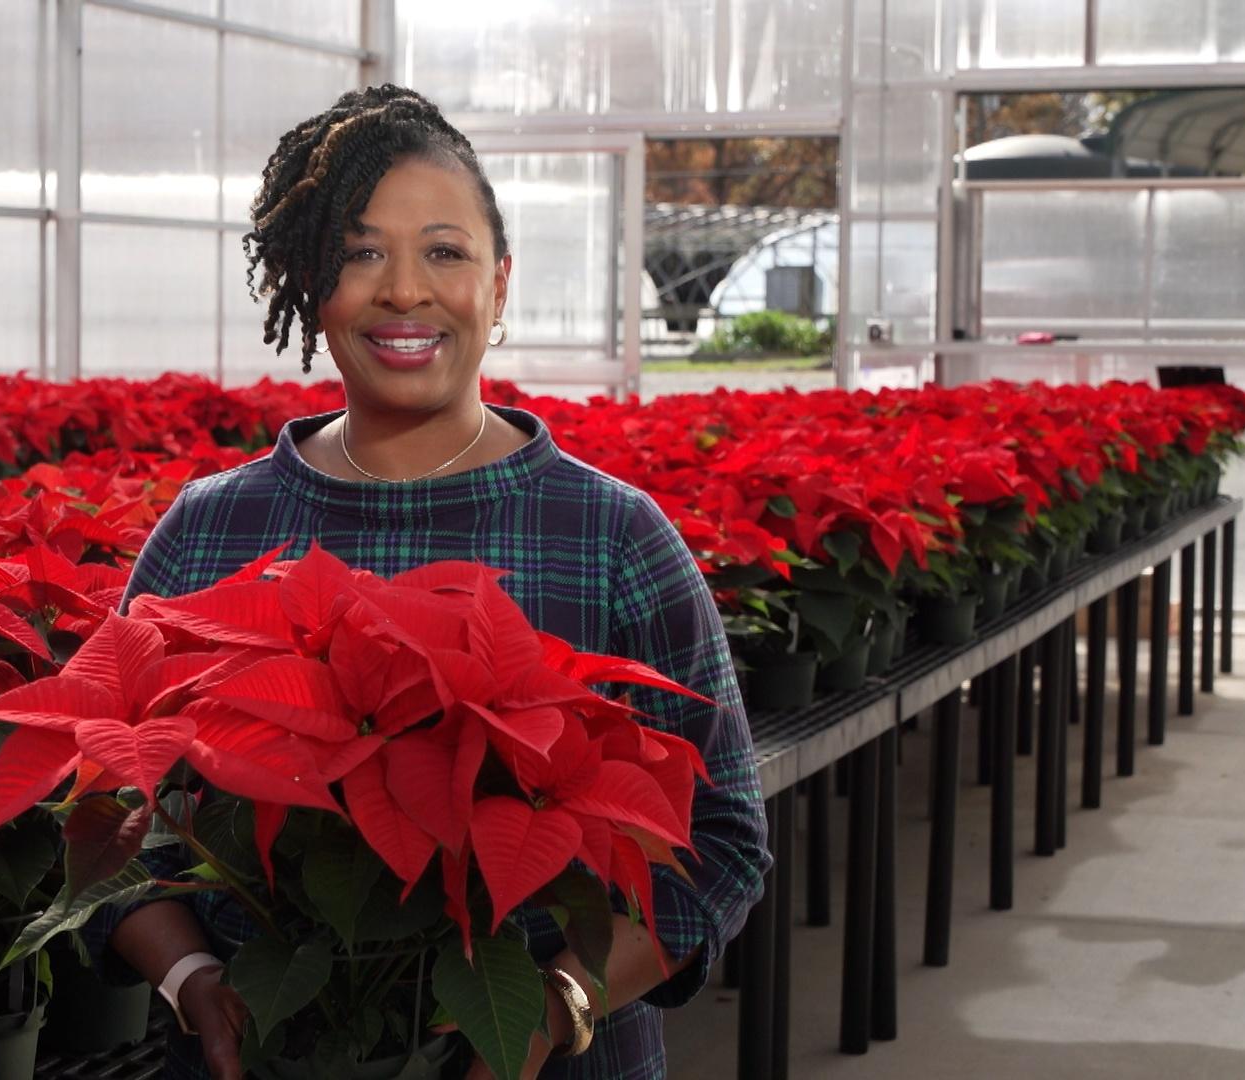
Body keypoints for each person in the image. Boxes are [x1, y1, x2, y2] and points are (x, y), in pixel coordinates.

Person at [88, 84, 770, 1080]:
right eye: (361, 253)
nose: (405, 290)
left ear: (499, 283)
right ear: (307, 282)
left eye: (444, 252)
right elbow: (105, 805)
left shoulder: (614, 535)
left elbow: (723, 838)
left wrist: (556, 1004)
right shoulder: (212, 529)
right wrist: (193, 975)